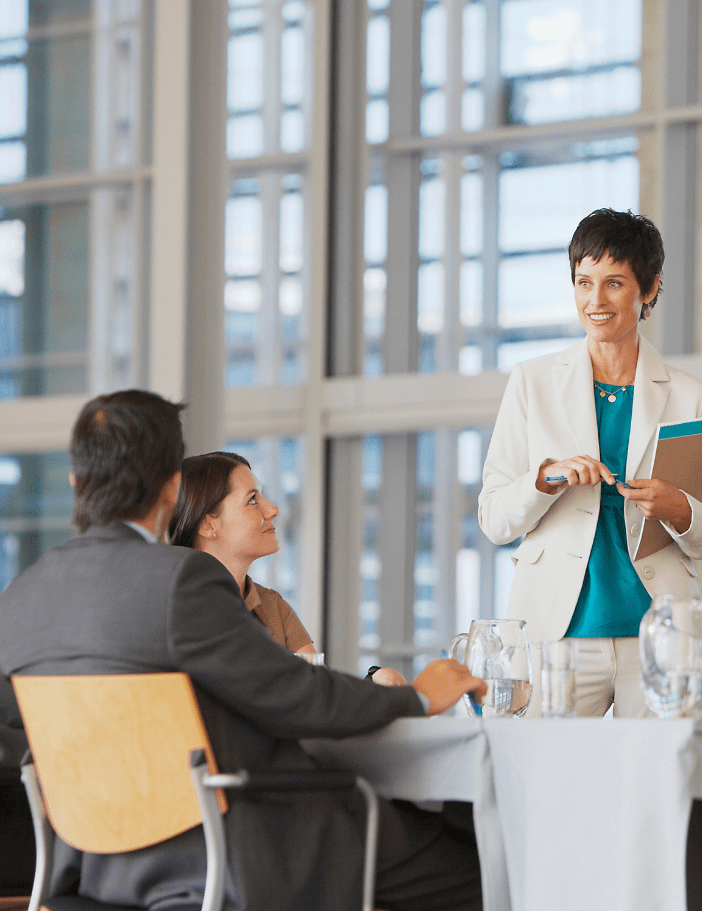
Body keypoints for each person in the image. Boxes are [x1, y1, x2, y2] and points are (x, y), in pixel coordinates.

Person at [0, 390, 486, 911]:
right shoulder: (182, 580)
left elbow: (18, 720)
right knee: (481, 867)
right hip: (239, 848)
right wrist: (416, 699)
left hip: (97, 866)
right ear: (172, 485)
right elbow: (294, 693)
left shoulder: (22, 595)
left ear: (76, 481)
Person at [479, 208, 702, 717]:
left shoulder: (689, 396)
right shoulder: (533, 382)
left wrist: (678, 507)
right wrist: (544, 479)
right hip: (559, 632)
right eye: (583, 282)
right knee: (553, 783)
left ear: (650, 288)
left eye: (614, 283)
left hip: (660, 636)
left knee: (656, 785)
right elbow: (493, 519)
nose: (595, 301)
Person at [168, 451, 316, 654]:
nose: (273, 509)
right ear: (207, 524)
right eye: (253, 500)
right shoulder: (174, 613)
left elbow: (317, 683)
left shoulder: (273, 607)